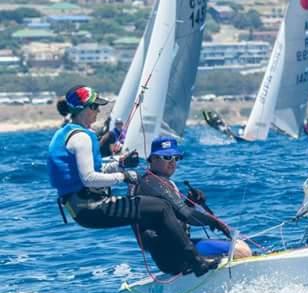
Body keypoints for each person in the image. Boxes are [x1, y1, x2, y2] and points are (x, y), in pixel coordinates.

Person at [48, 85, 218, 276]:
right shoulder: (82, 137)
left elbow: (91, 170)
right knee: (162, 207)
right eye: (95, 107)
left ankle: (180, 264)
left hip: (80, 208)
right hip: (91, 207)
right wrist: (124, 176)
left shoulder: (65, 134)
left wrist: (120, 163)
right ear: (84, 109)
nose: (98, 111)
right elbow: (88, 178)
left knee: (155, 211)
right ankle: (196, 263)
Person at [134, 136, 252, 270]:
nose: (172, 162)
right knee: (242, 250)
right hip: (176, 256)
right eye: (167, 157)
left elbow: (172, 218)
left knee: (235, 249)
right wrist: (214, 222)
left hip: (173, 255)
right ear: (153, 159)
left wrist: (191, 203)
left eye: (176, 158)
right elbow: (186, 215)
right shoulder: (154, 184)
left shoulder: (154, 182)